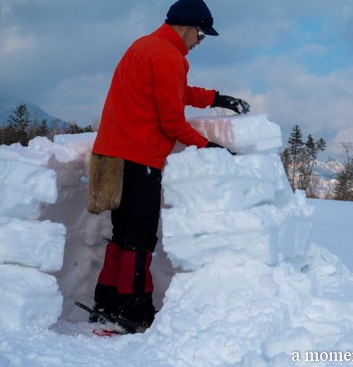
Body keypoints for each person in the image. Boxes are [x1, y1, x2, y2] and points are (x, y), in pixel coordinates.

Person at [89, 0, 250, 333]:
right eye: (200, 34)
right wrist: (210, 146)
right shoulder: (167, 56)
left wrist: (216, 98)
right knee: (140, 237)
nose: (199, 41)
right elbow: (172, 122)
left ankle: (105, 304)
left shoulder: (146, 46)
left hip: (113, 153)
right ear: (185, 26)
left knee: (121, 234)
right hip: (139, 158)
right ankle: (134, 312)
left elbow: (172, 91)